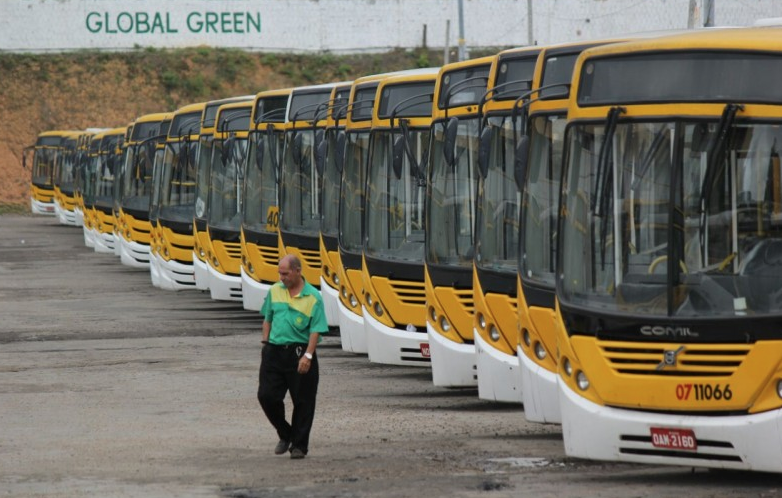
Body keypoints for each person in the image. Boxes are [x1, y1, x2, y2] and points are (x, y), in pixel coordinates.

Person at [257, 254, 329, 459]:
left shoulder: (313, 297)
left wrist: (308, 355)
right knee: (266, 396)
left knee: (303, 400)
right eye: (280, 274)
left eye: (285, 274)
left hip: (299, 351)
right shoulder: (274, 291)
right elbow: (267, 318)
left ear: (298, 271)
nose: (282, 278)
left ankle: (299, 445)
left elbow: (316, 329)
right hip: (274, 350)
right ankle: (285, 432)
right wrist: (265, 343)